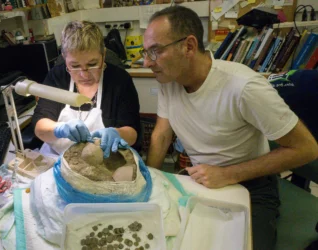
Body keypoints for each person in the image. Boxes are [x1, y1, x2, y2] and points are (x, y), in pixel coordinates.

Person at [141, 6, 318, 250]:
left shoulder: (244, 87)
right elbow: (161, 135)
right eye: (145, 52)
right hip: (200, 180)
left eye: (155, 51)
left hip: (251, 185)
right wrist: (149, 183)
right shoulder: (169, 81)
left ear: (189, 46)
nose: (146, 62)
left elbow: (307, 149)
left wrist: (228, 174)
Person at [32, 21, 141, 158]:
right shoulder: (57, 77)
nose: (84, 74)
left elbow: (132, 132)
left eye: (92, 64)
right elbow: (40, 126)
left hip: (103, 161)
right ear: (65, 58)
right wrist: (60, 129)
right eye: (75, 66)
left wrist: (117, 133)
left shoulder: (119, 81)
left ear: (104, 55)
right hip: (57, 159)